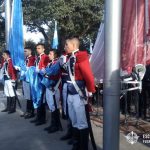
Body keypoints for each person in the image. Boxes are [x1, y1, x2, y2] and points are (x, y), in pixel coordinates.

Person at [60, 37, 96, 150]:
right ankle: (76, 145)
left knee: (81, 122)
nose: (65, 47)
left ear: (74, 46)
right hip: (70, 93)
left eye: (67, 45)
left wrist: (90, 91)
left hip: (78, 93)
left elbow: (88, 75)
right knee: (74, 120)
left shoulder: (80, 57)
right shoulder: (70, 57)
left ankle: (83, 147)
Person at [41, 50, 62, 133]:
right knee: (51, 105)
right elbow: (45, 72)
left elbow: (51, 72)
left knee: (54, 106)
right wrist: (46, 72)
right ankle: (53, 124)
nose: (49, 55)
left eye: (50, 54)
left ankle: (55, 125)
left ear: (55, 55)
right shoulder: (51, 63)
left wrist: (46, 72)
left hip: (54, 88)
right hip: (49, 86)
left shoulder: (57, 63)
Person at [30, 43, 49, 126]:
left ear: (43, 49)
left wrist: (40, 70)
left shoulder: (45, 57)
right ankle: (38, 117)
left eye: (39, 48)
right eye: (37, 48)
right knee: (37, 99)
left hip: (42, 81)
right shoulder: (37, 57)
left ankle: (42, 118)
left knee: (41, 99)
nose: (38, 50)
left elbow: (46, 70)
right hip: (36, 80)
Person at [21, 47, 36, 119]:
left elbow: (32, 69)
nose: (24, 53)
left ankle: (31, 112)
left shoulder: (33, 59)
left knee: (30, 96)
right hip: (25, 79)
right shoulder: (26, 59)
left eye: (25, 51)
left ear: (30, 51)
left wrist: (26, 69)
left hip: (29, 80)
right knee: (27, 96)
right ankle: (28, 111)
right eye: (24, 51)